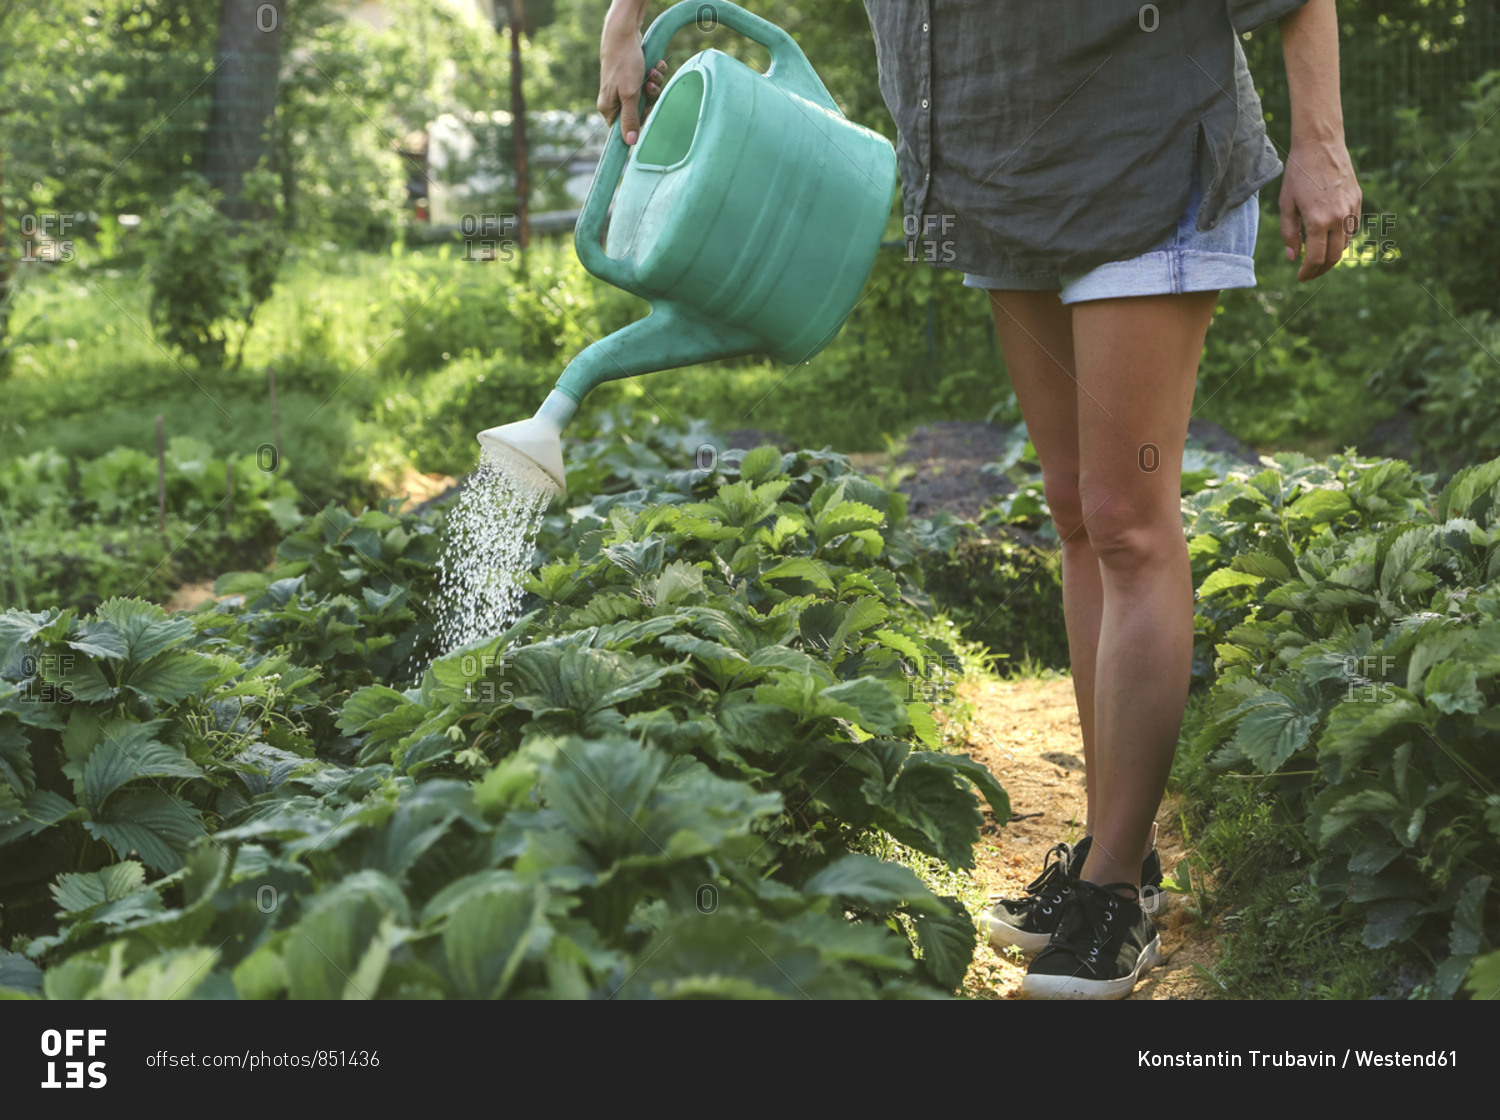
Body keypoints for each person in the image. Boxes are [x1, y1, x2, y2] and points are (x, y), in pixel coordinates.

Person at [597, 0, 1360, 1000]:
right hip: (1008, 176)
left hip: (1151, 152)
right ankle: (1109, 852)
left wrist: (1321, 145)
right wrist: (626, 17)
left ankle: (1117, 891)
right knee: (1079, 513)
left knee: (1128, 521)